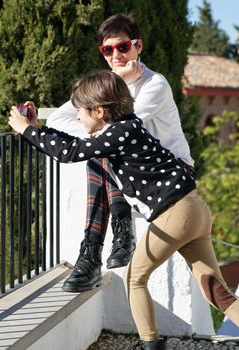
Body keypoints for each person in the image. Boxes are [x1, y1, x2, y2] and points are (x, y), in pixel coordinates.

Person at [8, 70, 239, 350]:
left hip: (175, 214)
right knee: (215, 291)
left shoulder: (119, 133)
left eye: (80, 111)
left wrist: (26, 130)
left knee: (134, 278)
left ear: (98, 110)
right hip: (194, 210)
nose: (77, 117)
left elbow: (70, 152)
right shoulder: (126, 127)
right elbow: (74, 144)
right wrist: (36, 129)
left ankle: (150, 345)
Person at [47, 13, 194, 293]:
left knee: (102, 149)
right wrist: (116, 81)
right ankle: (97, 249)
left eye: (123, 47)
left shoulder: (155, 85)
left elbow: (118, 132)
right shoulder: (106, 84)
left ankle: (108, 243)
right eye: (107, 50)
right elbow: (56, 119)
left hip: (173, 173)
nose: (116, 54)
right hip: (134, 174)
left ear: (138, 46)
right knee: (99, 152)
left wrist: (95, 130)